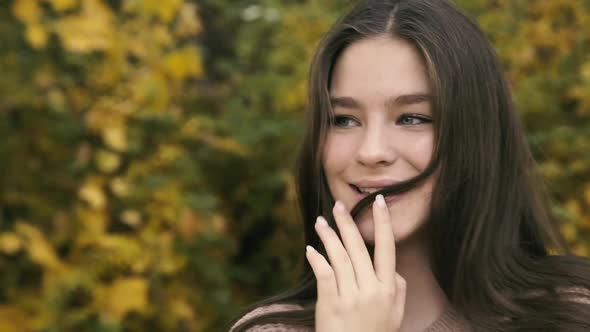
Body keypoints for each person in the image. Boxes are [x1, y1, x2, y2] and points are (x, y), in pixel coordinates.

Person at [227, 0, 590, 331]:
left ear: (476, 133)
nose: (371, 152)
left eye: (412, 118)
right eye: (344, 120)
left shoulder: (572, 314)